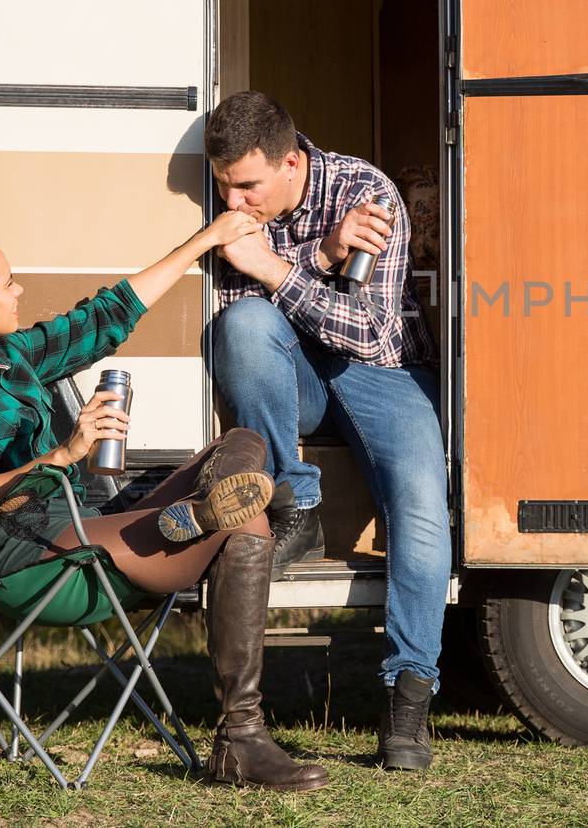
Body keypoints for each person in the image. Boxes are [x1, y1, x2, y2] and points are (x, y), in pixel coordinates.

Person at [0, 214, 328, 792]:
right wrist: (63, 454)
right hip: (17, 555)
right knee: (246, 515)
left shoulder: (13, 357)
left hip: (79, 530)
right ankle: (240, 739)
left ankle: (198, 515)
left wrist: (205, 241)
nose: (18, 289)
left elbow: (108, 313)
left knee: (242, 442)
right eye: (5, 282)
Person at [205, 91, 449, 772]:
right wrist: (319, 256)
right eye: (225, 184)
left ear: (291, 163)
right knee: (244, 327)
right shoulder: (229, 197)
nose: (235, 201)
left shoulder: (365, 189)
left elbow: (371, 333)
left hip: (387, 370)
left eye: (248, 185)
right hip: (297, 375)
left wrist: (281, 265)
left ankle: (408, 698)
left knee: (422, 506)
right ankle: (297, 503)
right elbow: (241, 313)